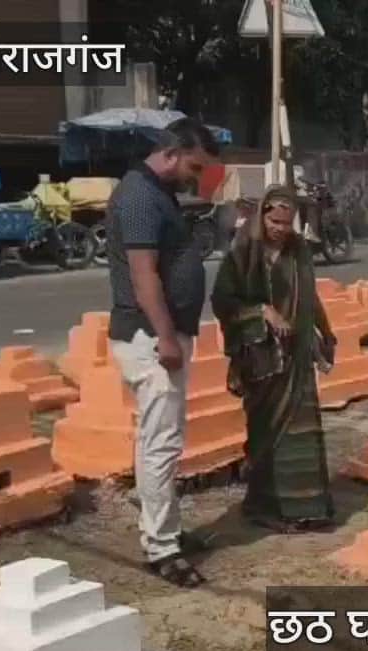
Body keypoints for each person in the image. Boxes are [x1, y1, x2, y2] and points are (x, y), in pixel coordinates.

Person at [106, 118, 220, 587]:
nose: (196, 177)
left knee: (159, 441)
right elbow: (143, 274)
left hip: (158, 335)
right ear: (171, 153)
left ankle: (163, 529)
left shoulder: (157, 192)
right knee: (161, 445)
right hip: (150, 337)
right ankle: (162, 548)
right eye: (194, 166)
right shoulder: (138, 196)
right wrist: (167, 337)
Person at [211, 185, 337, 534]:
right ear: (262, 215)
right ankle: (265, 507)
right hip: (261, 357)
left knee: (301, 433)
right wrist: (262, 311)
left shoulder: (299, 250)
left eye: (286, 222)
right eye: (274, 221)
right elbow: (222, 300)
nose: (280, 228)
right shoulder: (244, 250)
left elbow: (309, 296)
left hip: (296, 356)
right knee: (265, 431)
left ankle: (307, 507)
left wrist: (326, 333)